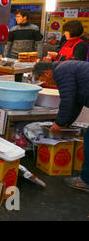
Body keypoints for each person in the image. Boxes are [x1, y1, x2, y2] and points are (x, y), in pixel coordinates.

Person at [32, 60, 89, 193]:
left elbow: (67, 100)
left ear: (47, 73)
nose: (47, 84)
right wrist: (65, 123)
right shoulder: (65, 68)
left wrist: (58, 123)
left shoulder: (61, 72)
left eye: (44, 80)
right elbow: (75, 103)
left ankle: (86, 181)